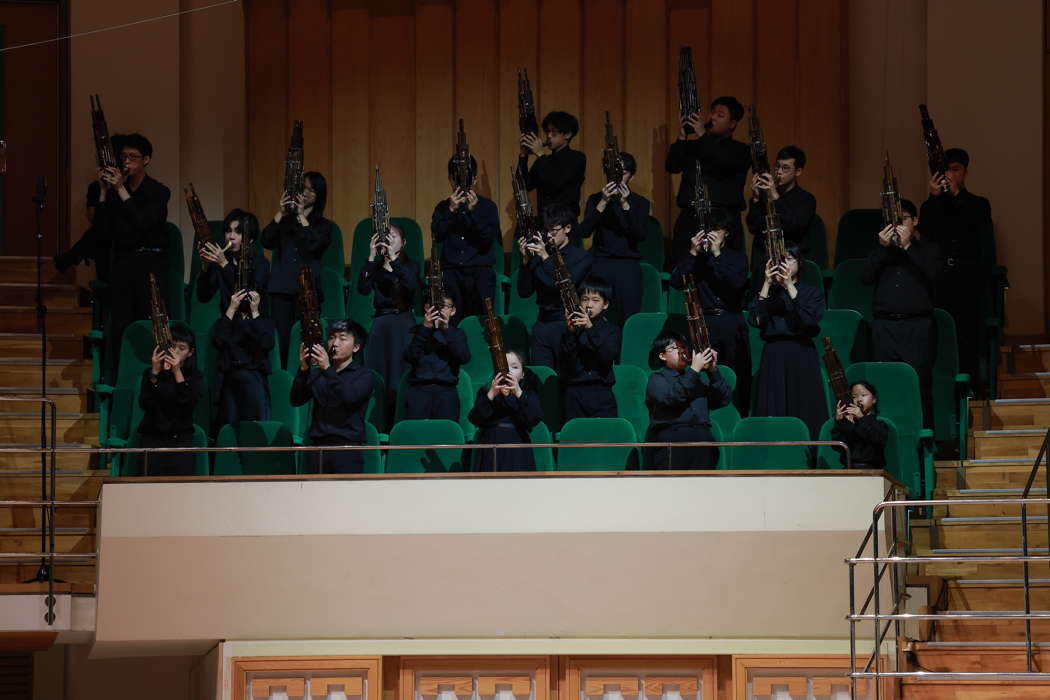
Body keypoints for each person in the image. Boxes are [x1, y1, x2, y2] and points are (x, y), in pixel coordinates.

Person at [91, 133, 171, 384]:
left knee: (147, 328)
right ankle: (119, 382)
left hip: (149, 267)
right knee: (120, 327)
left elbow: (146, 224)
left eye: (133, 157)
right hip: (123, 265)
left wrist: (120, 189)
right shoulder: (115, 192)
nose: (126, 161)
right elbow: (101, 230)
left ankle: (152, 379)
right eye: (124, 156)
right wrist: (104, 193)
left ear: (146, 160)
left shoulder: (159, 192)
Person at [918, 147, 994, 395]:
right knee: (940, 334)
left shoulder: (978, 203)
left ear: (965, 172)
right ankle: (943, 389)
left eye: (955, 169)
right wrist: (934, 198)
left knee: (967, 334)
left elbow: (975, 223)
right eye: (945, 170)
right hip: (940, 278)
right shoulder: (933, 204)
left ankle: (970, 387)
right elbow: (926, 232)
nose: (949, 175)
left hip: (967, 277)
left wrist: (954, 195)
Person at [862, 199, 938, 428]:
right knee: (884, 387)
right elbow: (864, 277)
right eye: (893, 220)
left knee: (918, 386)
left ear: (915, 221)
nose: (898, 225)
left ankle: (924, 447)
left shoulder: (928, 249)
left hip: (917, 327)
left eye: (903, 219)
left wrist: (907, 247)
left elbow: (934, 275)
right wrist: (882, 248)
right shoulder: (882, 250)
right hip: (885, 327)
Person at [748, 243, 827, 440]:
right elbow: (755, 320)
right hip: (774, 355)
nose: (784, 264)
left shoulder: (811, 292)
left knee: (804, 406)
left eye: (789, 259)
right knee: (773, 407)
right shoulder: (767, 293)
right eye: (780, 260)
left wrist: (789, 285)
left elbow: (810, 320)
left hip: (802, 353)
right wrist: (766, 284)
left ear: (799, 263)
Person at [665, 96, 751, 262]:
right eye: (712, 113)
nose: (712, 118)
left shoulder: (741, 150)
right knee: (685, 270)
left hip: (723, 221)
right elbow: (672, 166)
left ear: (732, 124)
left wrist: (703, 134)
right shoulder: (695, 146)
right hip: (691, 218)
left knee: (723, 271)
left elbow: (723, 161)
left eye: (720, 115)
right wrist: (682, 136)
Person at [669, 208, 749, 381]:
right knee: (704, 375)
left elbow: (736, 284)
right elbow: (675, 282)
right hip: (704, 323)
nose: (711, 234)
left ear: (726, 232)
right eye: (708, 230)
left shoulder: (737, 258)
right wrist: (692, 252)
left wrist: (717, 254)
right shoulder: (695, 258)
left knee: (735, 373)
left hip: (730, 322)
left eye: (716, 230)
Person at [261, 171, 333, 364]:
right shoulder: (284, 222)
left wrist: (301, 215)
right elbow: (266, 240)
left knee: (308, 342)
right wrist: (281, 212)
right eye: (303, 188)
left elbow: (313, 245)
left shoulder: (325, 226)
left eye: (312, 190)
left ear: (319, 196)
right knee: (282, 343)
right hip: (282, 289)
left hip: (308, 290)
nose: (306, 193)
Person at [290, 319, 373, 474]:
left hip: (348, 449)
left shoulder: (365, 375)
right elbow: (296, 399)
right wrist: (303, 369)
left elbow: (350, 398)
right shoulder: (317, 374)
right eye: (332, 338)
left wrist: (328, 369)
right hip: (318, 447)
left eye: (342, 338)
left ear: (356, 347)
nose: (335, 343)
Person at [516, 204, 593, 370]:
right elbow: (524, 291)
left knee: (566, 377)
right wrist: (525, 262)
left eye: (554, 231)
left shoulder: (581, 258)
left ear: (568, 228)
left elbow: (559, 285)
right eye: (546, 231)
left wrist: (545, 257)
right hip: (542, 323)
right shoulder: (541, 253)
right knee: (542, 378)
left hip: (566, 324)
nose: (549, 236)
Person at [578, 152, 650, 323]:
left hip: (628, 265)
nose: (617, 178)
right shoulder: (595, 199)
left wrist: (625, 204)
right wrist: (603, 202)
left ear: (631, 177)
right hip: (600, 262)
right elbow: (584, 231)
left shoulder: (640, 202)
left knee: (629, 316)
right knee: (597, 317)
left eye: (623, 173)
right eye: (613, 172)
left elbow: (641, 235)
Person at [644, 331, 732, 469]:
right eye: (675, 348)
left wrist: (713, 370)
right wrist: (694, 370)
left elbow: (723, 399)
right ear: (662, 356)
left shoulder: (697, 379)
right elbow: (672, 399)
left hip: (703, 444)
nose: (682, 351)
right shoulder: (657, 379)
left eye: (684, 347)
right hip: (672, 443)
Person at [430, 153, 501, 323]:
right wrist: (451, 211)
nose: (460, 184)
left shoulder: (488, 207)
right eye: (456, 179)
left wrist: (474, 212)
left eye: (466, 179)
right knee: (447, 296)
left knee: (485, 308)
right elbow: (437, 235)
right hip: (452, 271)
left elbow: (487, 240)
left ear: (474, 180)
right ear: (450, 179)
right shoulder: (442, 207)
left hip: (479, 268)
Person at [357, 223, 419, 417]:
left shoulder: (410, 265)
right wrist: (370, 256)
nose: (388, 239)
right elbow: (363, 288)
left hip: (403, 323)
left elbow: (411, 286)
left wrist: (393, 258)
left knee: (400, 375)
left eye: (392, 235)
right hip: (381, 324)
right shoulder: (375, 267)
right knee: (379, 376)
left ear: (404, 242)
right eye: (385, 235)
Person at [53, 133, 126, 279]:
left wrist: (119, 188)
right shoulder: (96, 187)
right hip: (105, 241)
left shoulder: (132, 186)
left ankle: (72, 256)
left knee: (102, 232)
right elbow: (93, 218)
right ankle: (73, 257)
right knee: (101, 231)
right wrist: (104, 190)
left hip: (126, 238)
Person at [135, 323, 203, 477]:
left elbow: (187, 405)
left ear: (190, 353)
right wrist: (154, 373)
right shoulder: (151, 373)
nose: (175, 352)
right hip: (152, 439)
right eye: (172, 346)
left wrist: (177, 370)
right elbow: (145, 403)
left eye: (182, 348)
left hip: (180, 441)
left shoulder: (194, 376)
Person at [745, 145, 816, 292]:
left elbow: (793, 226)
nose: (778, 172)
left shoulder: (806, 199)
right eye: (777, 167)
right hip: (766, 264)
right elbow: (753, 227)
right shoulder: (767, 195)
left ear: (798, 171)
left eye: (785, 168)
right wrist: (757, 199)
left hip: (791, 267)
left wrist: (775, 197)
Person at [210, 288, 275, 432]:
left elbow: (266, 342)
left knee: (255, 429)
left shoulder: (265, 321)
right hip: (230, 380)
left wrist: (255, 311)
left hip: (255, 378)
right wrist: (232, 308)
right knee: (228, 430)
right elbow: (218, 340)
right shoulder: (227, 320)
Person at [469, 350, 543, 472]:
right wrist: (491, 394)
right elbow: (475, 418)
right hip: (491, 445)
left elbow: (534, 418)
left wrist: (518, 393)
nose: (508, 371)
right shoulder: (486, 392)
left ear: (523, 374)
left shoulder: (528, 394)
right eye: (502, 366)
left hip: (517, 446)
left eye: (514, 367)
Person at [559, 277, 621, 420]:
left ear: (605, 304)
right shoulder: (571, 330)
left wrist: (590, 328)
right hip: (574, 393)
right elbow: (566, 362)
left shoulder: (611, 330)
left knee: (604, 437)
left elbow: (606, 357)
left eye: (595, 300)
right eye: (585, 299)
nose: (589, 305)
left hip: (601, 392)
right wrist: (570, 333)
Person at [403, 295, 470, 420]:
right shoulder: (415, 331)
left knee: (446, 436)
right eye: (435, 306)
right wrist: (424, 329)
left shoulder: (457, 333)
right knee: (417, 435)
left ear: (453, 311)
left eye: (444, 306)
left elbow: (464, 357)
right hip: (419, 391)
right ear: (427, 308)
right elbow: (409, 357)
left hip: (447, 392)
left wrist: (447, 330)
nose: (439, 311)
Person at [196, 209, 271, 314]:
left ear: (250, 239)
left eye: (238, 232)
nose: (231, 237)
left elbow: (248, 297)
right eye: (228, 231)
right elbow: (203, 297)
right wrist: (205, 267)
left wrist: (224, 264)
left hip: (254, 324)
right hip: (229, 323)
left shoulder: (261, 263)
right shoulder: (221, 261)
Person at [521, 110, 587, 220]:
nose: (548, 136)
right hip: (544, 223)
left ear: (567, 134)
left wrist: (540, 153)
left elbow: (556, 181)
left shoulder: (577, 158)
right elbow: (525, 186)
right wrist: (523, 156)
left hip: (566, 224)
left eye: (553, 132)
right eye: (547, 132)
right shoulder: (543, 160)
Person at [831, 381, 888, 468]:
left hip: (872, 470)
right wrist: (839, 422)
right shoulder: (848, 424)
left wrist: (861, 418)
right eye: (854, 397)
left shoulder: (880, 424)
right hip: (849, 469)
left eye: (863, 395)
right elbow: (837, 446)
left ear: (874, 399)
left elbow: (875, 438)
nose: (859, 399)